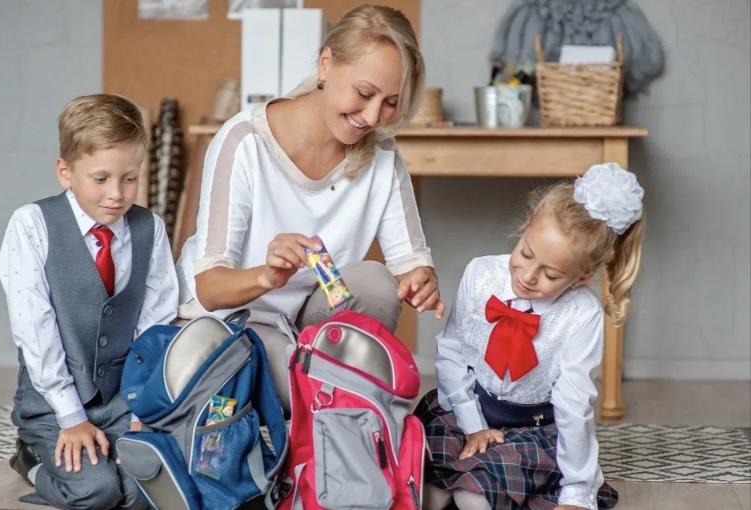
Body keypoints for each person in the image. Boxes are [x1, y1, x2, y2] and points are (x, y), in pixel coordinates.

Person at [177, 4, 444, 408]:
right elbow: (210, 289)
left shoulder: (383, 156)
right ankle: (333, 391)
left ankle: (330, 389)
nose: (374, 116)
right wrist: (268, 276)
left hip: (304, 320)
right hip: (233, 321)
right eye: (364, 93)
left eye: (391, 102)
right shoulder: (245, 142)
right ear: (325, 64)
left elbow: (410, 264)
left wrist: (420, 281)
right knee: (312, 387)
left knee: (375, 283)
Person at [416, 163, 645, 510]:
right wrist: (473, 425)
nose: (528, 276)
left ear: (581, 278)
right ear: (524, 229)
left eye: (551, 275)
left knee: (472, 496)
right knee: (426, 489)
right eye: (525, 253)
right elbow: (451, 352)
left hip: (530, 430)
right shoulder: (480, 273)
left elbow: (574, 404)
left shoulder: (582, 313)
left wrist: (577, 492)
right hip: (464, 410)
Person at [0, 94, 178, 509]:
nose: (116, 194)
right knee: (98, 491)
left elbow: (156, 329)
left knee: (143, 492)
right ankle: (31, 460)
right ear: (65, 172)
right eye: (101, 179)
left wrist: (142, 414)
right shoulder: (32, 224)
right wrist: (71, 418)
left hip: (121, 404)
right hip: (52, 405)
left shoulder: (149, 228)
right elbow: (35, 330)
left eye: (129, 178)